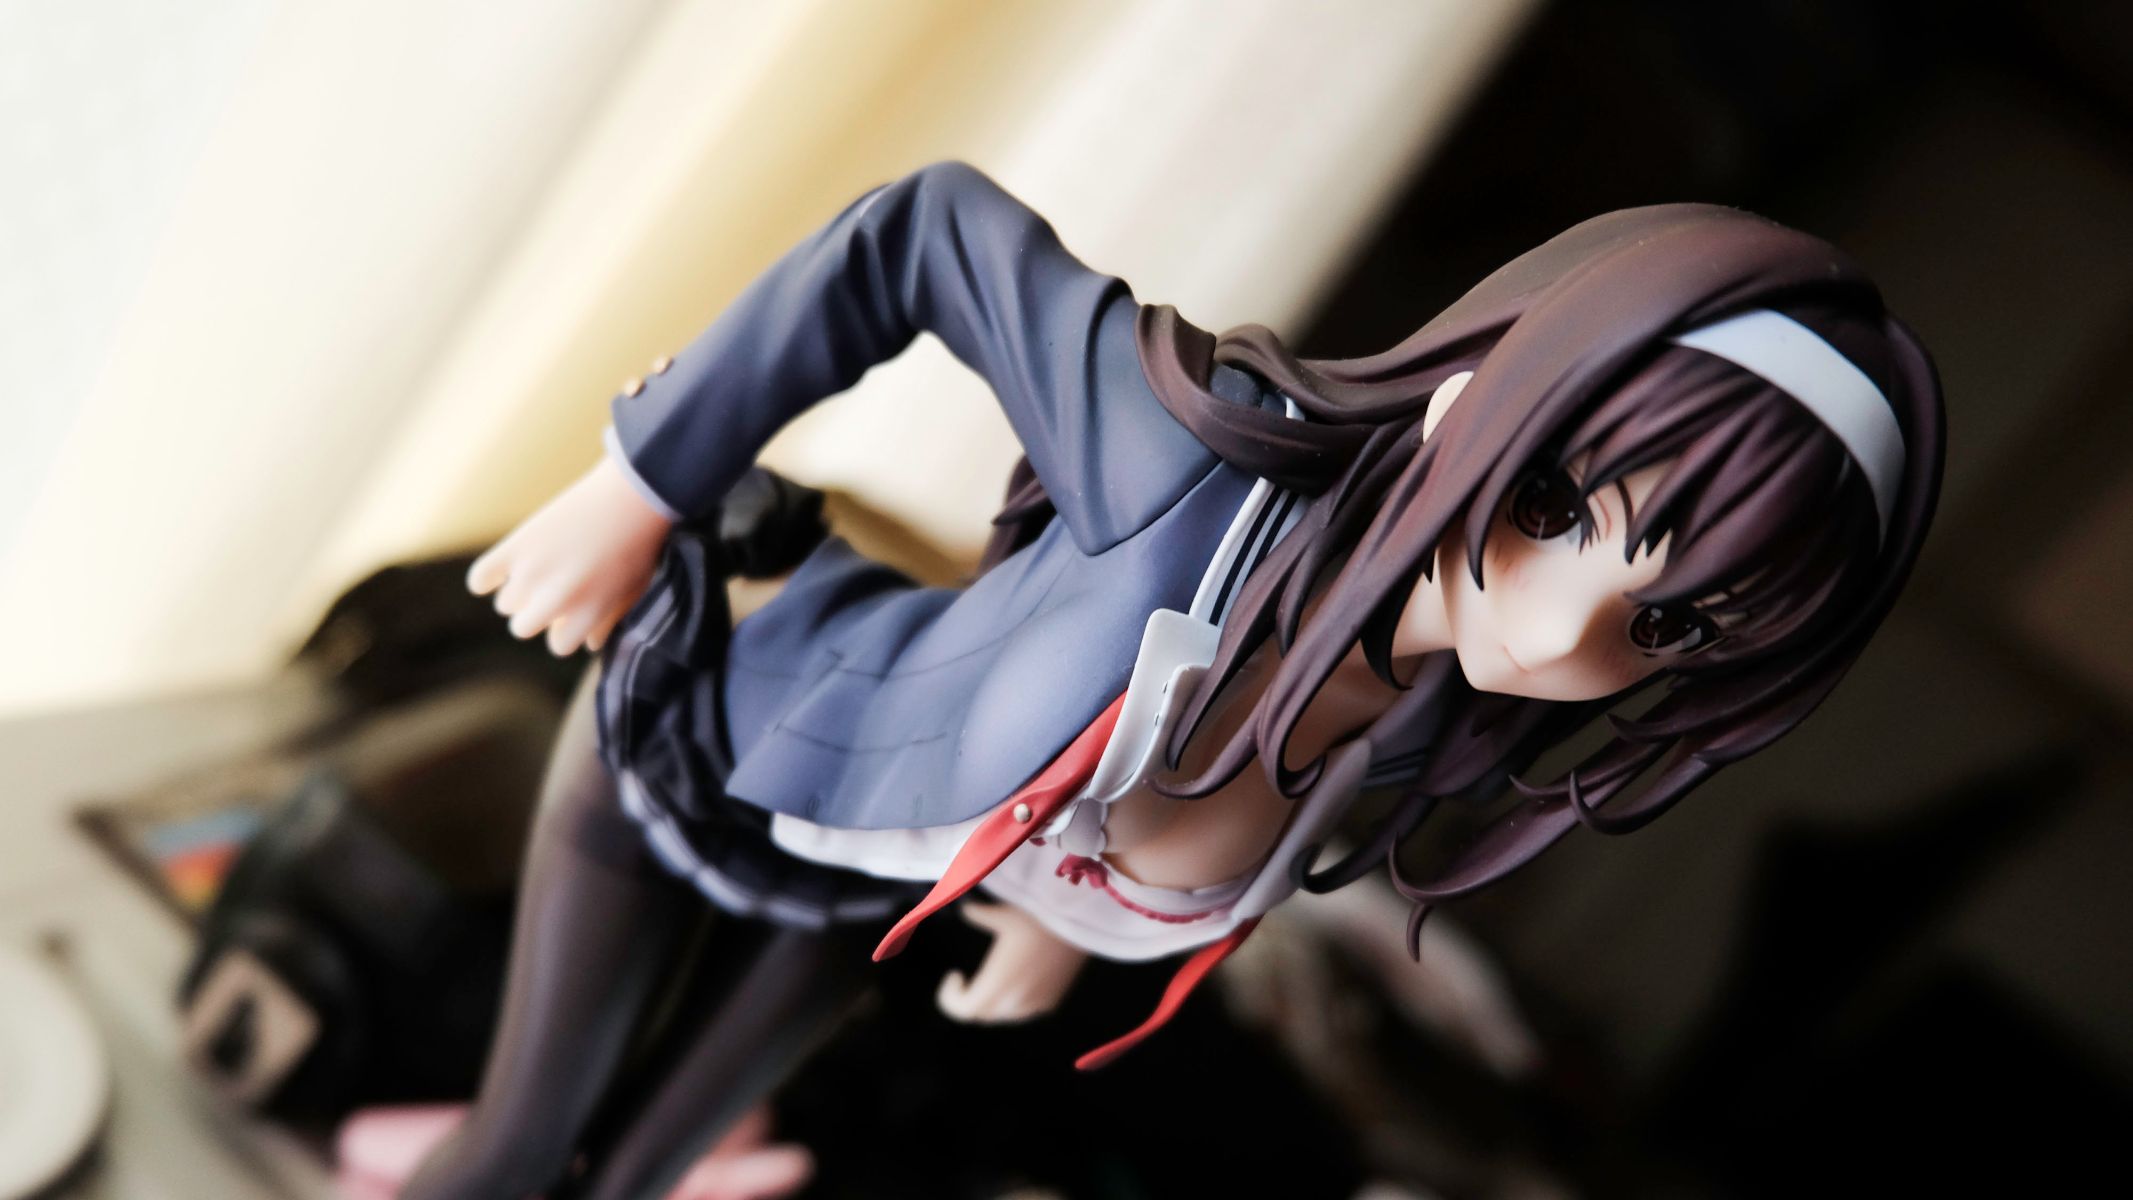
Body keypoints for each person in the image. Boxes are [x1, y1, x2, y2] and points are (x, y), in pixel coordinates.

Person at [405, 161, 1943, 1200]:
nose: (1553, 637)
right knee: (518, 1152)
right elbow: (923, 231)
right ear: (1476, 404)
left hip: (876, 893)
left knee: (640, 1179)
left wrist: (1054, 916)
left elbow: (1158, 810)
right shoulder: (1190, 477)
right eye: (1550, 508)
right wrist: (644, 479)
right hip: (715, 755)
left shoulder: (1434, 732)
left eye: (1668, 625)